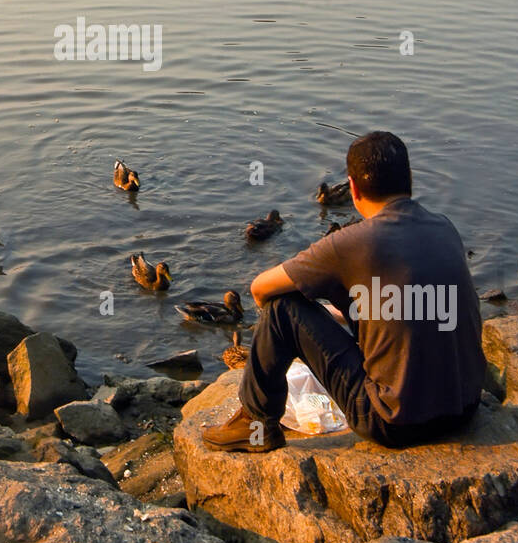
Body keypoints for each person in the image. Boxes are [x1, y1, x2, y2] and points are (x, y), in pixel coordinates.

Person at [203, 131, 485, 454]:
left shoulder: (350, 243)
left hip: (394, 422)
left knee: (282, 308)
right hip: (464, 408)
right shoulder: (444, 227)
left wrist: (307, 322)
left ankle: (255, 424)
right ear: (410, 179)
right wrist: (342, 311)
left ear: (352, 188)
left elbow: (261, 288)